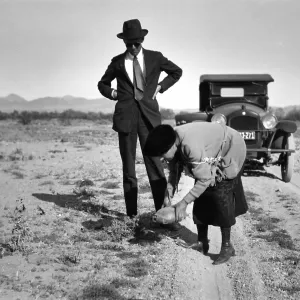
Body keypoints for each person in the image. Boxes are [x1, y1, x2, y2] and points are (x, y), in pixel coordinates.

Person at [97, 19, 182, 219]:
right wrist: (114, 94)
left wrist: (160, 87)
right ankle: (131, 216)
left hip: (149, 120)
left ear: (142, 40)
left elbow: (176, 72)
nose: (133, 47)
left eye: (136, 43)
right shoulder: (117, 62)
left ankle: (162, 213)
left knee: (155, 166)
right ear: (124, 42)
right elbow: (102, 84)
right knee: (128, 168)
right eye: (129, 44)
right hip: (126, 120)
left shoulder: (155, 58)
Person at [143, 122, 248, 265]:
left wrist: (183, 203)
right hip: (211, 151)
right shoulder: (172, 140)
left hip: (231, 147)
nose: (161, 159)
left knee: (221, 194)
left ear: (171, 146)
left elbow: (204, 179)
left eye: (162, 155)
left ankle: (227, 246)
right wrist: (168, 196)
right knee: (201, 197)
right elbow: (174, 171)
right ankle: (202, 242)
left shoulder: (190, 146)